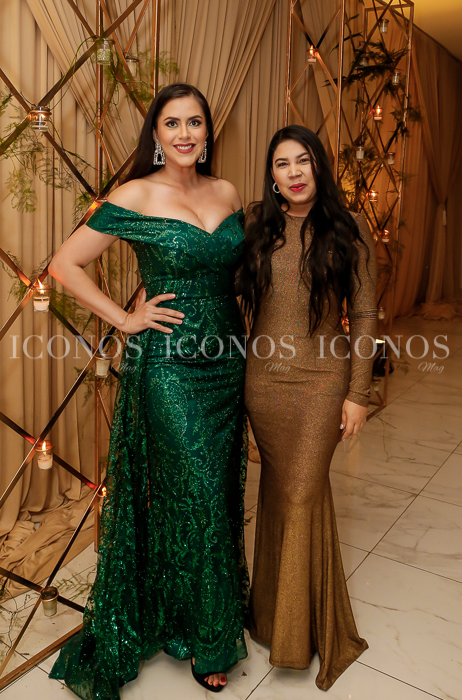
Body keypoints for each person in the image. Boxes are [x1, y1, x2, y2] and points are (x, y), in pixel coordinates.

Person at [48, 83, 249, 698]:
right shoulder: (135, 194)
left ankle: (192, 612)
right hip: (167, 365)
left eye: (195, 122)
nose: (185, 133)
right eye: (172, 123)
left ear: (207, 132)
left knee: (212, 494)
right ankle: (211, 641)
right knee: (200, 493)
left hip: (227, 362)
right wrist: (126, 318)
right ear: (156, 135)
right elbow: (64, 265)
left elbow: (240, 270)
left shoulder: (227, 192)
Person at [239, 125, 376, 690]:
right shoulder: (256, 226)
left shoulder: (348, 230)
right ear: (271, 174)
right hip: (263, 383)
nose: (293, 173)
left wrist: (358, 393)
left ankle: (295, 637)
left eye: (303, 161)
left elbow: (364, 316)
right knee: (280, 492)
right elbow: (225, 290)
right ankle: (269, 616)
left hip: (323, 381)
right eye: (282, 164)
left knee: (299, 492)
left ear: (319, 166)